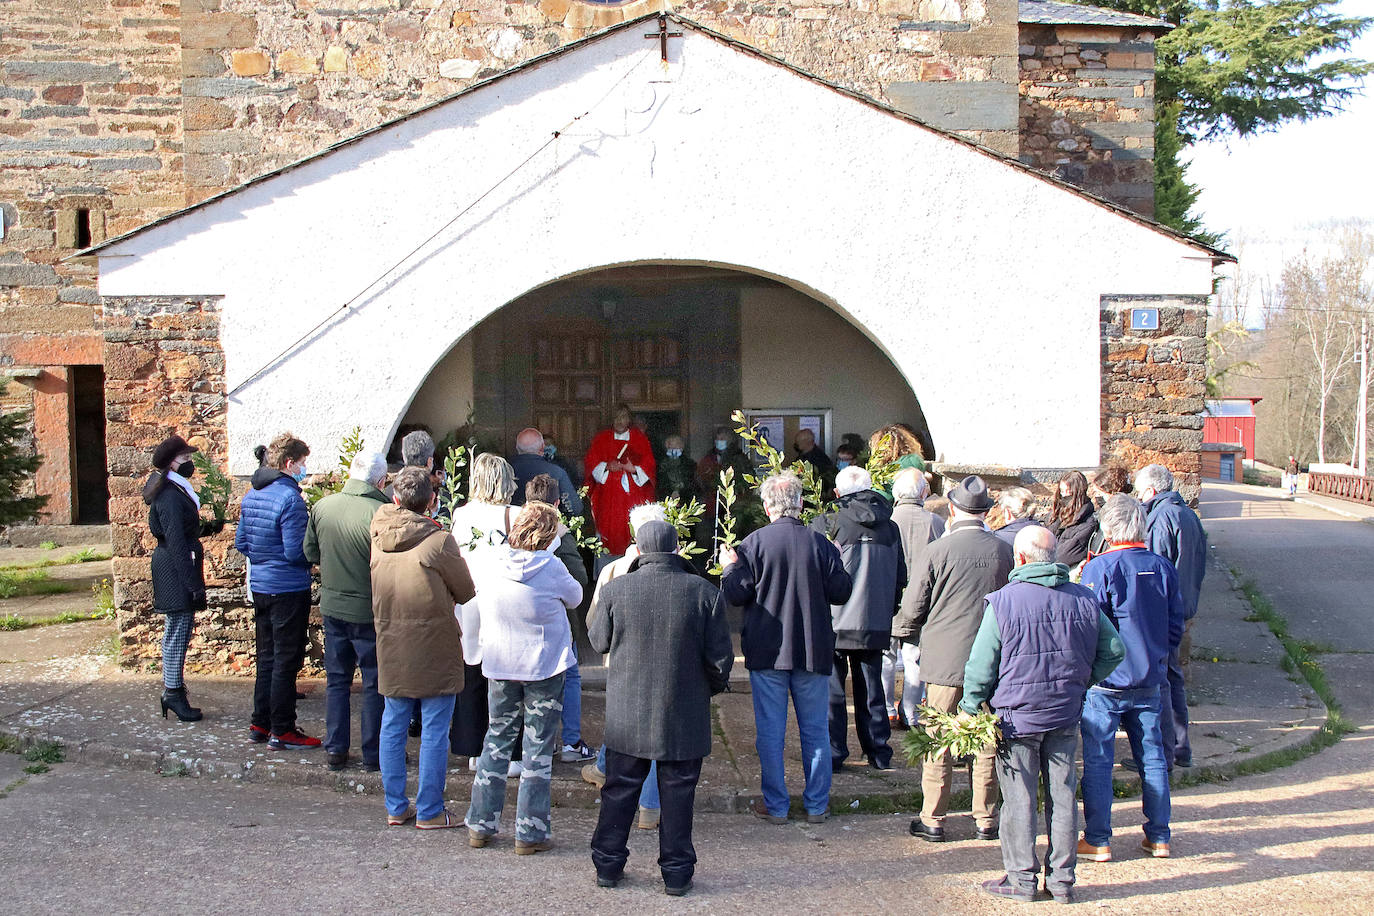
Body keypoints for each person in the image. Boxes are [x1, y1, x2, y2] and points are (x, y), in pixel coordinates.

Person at [961, 526, 1125, 903]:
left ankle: (1021, 880)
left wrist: (971, 706)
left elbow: (981, 665)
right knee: (1063, 795)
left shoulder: (1003, 602)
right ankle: (1062, 882)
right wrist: (1082, 679)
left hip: (1016, 717)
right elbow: (1114, 650)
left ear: (1019, 559)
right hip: (1065, 711)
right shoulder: (1084, 599)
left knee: (1019, 799)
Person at [589, 520, 734, 896]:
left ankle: (608, 863)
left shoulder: (616, 589)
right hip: (683, 710)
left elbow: (598, 640)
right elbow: (720, 660)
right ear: (676, 549)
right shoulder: (704, 592)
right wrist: (707, 690)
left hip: (628, 710)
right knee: (678, 794)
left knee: (619, 789)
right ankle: (676, 873)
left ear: (637, 549)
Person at [720, 473, 852, 824]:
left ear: (767, 507)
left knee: (770, 731)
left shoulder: (753, 544)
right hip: (812, 648)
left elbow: (736, 594)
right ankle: (817, 804)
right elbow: (841, 592)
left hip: (767, 650)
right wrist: (837, 560)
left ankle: (776, 805)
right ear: (801, 504)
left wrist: (728, 568)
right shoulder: (820, 543)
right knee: (815, 731)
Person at [894, 475, 1013, 843]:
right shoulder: (1003, 550)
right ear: (987, 512)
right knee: (987, 740)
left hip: (945, 657)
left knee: (940, 737)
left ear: (951, 508)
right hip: (992, 658)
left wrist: (901, 632)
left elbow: (914, 606)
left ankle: (934, 818)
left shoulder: (937, 551)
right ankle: (986, 818)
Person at [465, 502, 582, 855]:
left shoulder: (490, 560)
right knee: (537, 750)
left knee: (496, 740)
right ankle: (529, 833)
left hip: (501, 665)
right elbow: (575, 598)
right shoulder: (551, 566)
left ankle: (480, 825)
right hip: (543, 667)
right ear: (547, 535)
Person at [1078, 494, 1185, 861]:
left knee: (1098, 760)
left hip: (1107, 680)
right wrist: (1157, 656)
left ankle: (1098, 838)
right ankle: (1159, 836)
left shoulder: (1100, 568)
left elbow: (1091, 627)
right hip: (1150, 677)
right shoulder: (1162, 566)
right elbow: (1176, 624)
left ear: (1109, 529)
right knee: (1153, 758)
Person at [370, 467, 476, 829]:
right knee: (433, 728)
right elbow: (465, 590)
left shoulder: (377, 532)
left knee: (394, 722)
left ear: (395, 498)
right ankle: (430, 810)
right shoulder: (439, 540)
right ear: (432, 501)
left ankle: (396, 806)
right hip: (434, 642)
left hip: (391, 639)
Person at [810, 465, 905, 771]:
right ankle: (878, 751)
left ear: (838, 494)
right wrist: (888, 608)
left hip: (835, 620)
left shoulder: (828, 523)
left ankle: (835, 753)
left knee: (833, 692)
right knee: (872, 689)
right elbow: (900, 575)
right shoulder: (890, 526)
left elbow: (815, 574)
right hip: (875, 619)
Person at [582, 502, 670, 824]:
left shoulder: (613, 570)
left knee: (626, 721)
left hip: (622, 662)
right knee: (656, 731)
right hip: (664, 663)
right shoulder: (677, 569)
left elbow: (595, 624)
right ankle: (647, 803)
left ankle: (634, 792)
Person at [303, 448, 389, 772]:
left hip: (334, 606)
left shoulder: (323, 507)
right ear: (381, 480)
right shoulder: (381, 512)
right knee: (374, 682)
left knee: (337, 681)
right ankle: (372, 752)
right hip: (369, 610)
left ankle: (336, 748)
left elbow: (309, 551)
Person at [235, 431, 319, 749]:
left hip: (261, 585)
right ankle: (282, 727)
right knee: (286, 659)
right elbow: (295, 551)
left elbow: (242, 542)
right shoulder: (290, 498)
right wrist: (312, 560)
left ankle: (260, 721)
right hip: (288, 587)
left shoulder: (252, 494)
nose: (304, 467)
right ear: (288, 463)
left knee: (266, 657)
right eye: (302, 462)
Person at [447, 453, 519, 770]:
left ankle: (474, 745)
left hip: (469, 597)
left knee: (472, 670)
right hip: (504, 597)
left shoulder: (462, 515)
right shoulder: (515, 515)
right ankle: (509, 749)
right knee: (505, 678)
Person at [144, 434, 222, 722]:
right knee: (178, 629)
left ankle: (173, 690)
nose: (191, 462)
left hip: (173, 563)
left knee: (176, 628)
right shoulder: (170, 495)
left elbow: (181, 531)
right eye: (186, 458)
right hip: (174, 567)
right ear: (172, 463)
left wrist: (207, 529)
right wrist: (193, 584)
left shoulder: (175, 490)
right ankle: (173, 693)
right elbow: (175, 540)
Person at [1136, 463, 1207, 770]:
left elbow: (1155, 570)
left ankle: (1165, 752)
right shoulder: (1188, 514)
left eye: (1140, 491)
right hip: (1185, 605)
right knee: (1173, 679)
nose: (1138, 497)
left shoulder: (1162, 517)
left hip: (1165, 612)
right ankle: (1179, 747)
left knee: (1162, 681)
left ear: (1151, 490)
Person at [524, 473, 595, 763]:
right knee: (571, 676)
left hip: (523, 620)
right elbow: (578, 580)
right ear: (556, 503)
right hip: (558, 619)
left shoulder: (515, 533)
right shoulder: (560, 535)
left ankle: (540, 743)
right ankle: (571, 743)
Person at [887, 468, 944, 729]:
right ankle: (910, 712)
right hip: (923, 597)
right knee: (913, 657)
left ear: (895, 493)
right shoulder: (934, 522)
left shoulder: (888, 519)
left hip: (890, 595)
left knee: (886, 656)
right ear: (923, 492)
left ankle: (887, 708)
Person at [584, 404, 656, 555]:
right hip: (608, 495)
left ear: (629, 419)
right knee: (608, 531)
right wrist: (606, 466)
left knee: (631, 527)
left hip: (633, 494)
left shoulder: (639, 438)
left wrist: (633, 469)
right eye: (616, 417)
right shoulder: (601, 439)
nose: (620, 421)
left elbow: (649, 464)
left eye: (623, 417)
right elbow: (591, 463)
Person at [509, 427, 581, 514]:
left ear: (517, 447)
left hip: (512, 524)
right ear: (542, 447)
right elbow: (575, 508)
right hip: (546, 525)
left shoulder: (505, 470)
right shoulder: (557, 471)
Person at [1048, 470, 1096, 571]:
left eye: (1068, 492)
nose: (1064, 495)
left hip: (1063, 570)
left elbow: (1064, 555)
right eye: (1061, 491)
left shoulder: (1087, 522)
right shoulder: (1057, 513)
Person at [1086, 466, 1131, 557]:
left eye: (1100, 493)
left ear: (1112, 493)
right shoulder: (1102, 515)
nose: (1097, 497)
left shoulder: (1122, 517)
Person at [792, 428, 836, 493]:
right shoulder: (802, 456)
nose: (796, 444)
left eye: (799, 442)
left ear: (807, 441)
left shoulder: (819, 458)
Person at [656, 434, 696, 503]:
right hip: (666, 500)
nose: (673, 449)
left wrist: (679, 492)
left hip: (686, 499)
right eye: (671, 447)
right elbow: (660, 482)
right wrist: (670, 493)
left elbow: (691, 482)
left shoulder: (689, 464)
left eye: (676, 446)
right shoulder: (661, 464)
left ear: (681, 447)